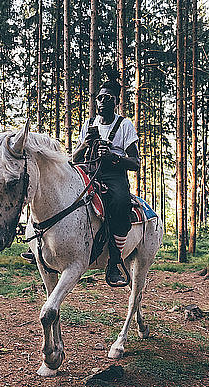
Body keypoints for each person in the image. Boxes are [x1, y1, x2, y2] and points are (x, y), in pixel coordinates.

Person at [72, 75, 140, 286]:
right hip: (87, 169)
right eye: (100, 98)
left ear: (116, 102)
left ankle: (114, 262)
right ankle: (42, 244)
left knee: (120, 203)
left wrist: (114, 157)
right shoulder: (88, 124)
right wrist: (84, 144)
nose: (102, 102)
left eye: (108, 98)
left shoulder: (125, 125)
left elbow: (136, 162)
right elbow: (74, 159)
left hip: (113, 174)